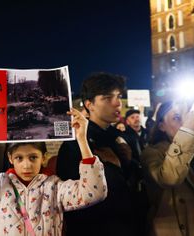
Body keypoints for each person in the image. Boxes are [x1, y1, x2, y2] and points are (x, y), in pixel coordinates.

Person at [0, 107, 107, 235]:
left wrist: (82, 141)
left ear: (44, 158)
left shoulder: (55, 188)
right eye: (19, 158)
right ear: (10, 158)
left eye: (33, 157)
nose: (26, 165)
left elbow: (94, 191)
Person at [56, 72, 141, 236]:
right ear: (89, 104)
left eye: (119, 96)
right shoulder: (75, 143)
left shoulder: (120, 138)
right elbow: (70, 197)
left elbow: (133, 182)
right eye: (108, 98)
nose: (117, 103)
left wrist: (128, 162)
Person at [140, 97, 194, 235]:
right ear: (161, 126)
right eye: (177, 117)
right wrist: (187, 131)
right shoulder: (152, 152)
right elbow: (169, 178)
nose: (185, 122)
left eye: (187, 117)